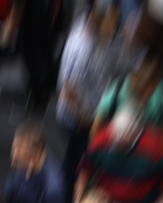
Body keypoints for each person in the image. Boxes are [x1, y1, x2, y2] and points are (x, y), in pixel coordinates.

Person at [56, 1, 124, 182]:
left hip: (91, 111)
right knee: (77, 163)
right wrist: (87, 120)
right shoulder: (81, 48)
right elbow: (68, 90)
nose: (116, 24)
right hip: (79, 120)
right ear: (100, 19)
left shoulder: (95, 35)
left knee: (77, 158)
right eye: (113, 20)